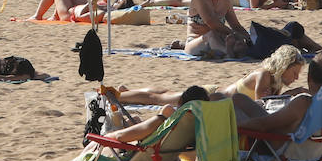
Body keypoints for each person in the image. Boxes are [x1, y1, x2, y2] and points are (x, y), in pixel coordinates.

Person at [118, 45, 304, 106]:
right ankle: (118, 96)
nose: (295, 77)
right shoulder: (264, 75)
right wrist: (295, 93)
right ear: (284, 66)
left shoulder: (275, 81)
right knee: (160, 98)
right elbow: (261, 105)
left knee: (166, 94)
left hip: (216, 96)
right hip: (209, 98)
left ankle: (127, 92)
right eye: (294, 72)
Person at [233, 56, 322, 134]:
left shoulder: (303, 102)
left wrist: (236, 125)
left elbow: (263, 125)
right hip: (318, 150)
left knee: (236, 100)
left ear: (309, 78)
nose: (296, 78)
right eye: (294, 73)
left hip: (282, 147)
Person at [182, 0, 250, 59]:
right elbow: (211, 22)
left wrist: (248, 38)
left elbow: (235, 25)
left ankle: (228, 50)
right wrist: (233, 33)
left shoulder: (226, 0)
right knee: (212, 34)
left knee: (238, 40)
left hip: (220, 39)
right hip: (196, 41)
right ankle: (227, 52)